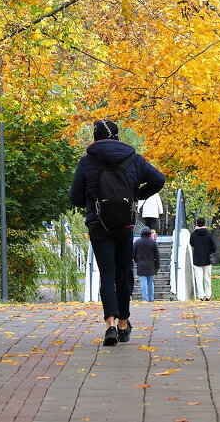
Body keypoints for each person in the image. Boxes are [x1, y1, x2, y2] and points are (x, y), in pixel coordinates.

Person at [70, 119, 165, 346]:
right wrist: (138, 196)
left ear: (95, 137)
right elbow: (158, 179)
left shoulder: (87, 162)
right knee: (124, 273)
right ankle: (124, 323)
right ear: (117, 135)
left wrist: (92, 201)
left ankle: (110, 325)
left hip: (98, 224)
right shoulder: (134, 159)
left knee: (108, 274)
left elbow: (74, 197)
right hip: (125, 224)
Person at [189, 217, 217, 301]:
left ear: (197, 224)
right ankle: (208, 295)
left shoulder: (193, 234)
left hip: (197, 259)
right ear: (204, 224)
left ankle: (201, 296)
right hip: (207, 259)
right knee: (207, 278)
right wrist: (210, 251)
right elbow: (214, 247)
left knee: (198, 278)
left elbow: (192, 244)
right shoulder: (209, 234)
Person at [133, 227, 161, 302]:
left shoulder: (137, 242)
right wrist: (157, 265)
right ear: (149, 234)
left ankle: (144, 298)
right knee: (150, 282)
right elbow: (157, 255)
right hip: (151, 265)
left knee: (143, 282)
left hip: (141, 265)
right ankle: (151, 298)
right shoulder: (153, 242)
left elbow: (134, 254)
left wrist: (138, 261)